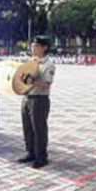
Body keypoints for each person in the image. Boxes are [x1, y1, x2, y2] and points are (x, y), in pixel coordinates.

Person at [17, 36, 56, 169]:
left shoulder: (48, 64)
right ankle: (31, 152)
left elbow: (46, 84)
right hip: (27, 97)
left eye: (36, 46)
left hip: (40, 99)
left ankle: (42, 157)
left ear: (44, 48)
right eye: (33, 45)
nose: (33, 47)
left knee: (39, 129)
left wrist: (31, 81)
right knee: (27, 127)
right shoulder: (31, 61)